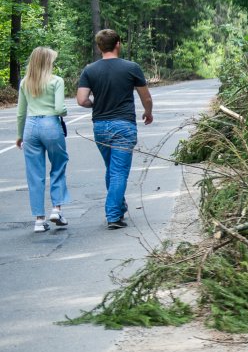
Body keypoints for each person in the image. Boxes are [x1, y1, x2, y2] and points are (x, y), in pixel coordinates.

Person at [77, 29, 153, 229]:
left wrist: (95, 103)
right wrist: (148, 112)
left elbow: (81, 99)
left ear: (99, 46)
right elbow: (146, 97)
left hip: (100, 126)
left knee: (112, 169)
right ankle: (113, 216)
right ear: (118, 43)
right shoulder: (131, 68)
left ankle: (118, 206)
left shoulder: (89, 70)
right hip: (123, 125)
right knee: (118, 172)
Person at [16, 47, 70, 233]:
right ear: (48, 62)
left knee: (34, 174)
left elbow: (21, 113)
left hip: (30, 127)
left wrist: (19, 135)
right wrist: (64, 111)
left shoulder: (25, 82)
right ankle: (56, 209)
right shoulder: (56, 81)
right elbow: (59, 109)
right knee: (58, 165)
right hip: (50, 125)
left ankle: (39, 219)